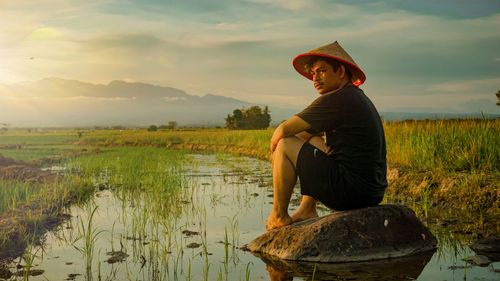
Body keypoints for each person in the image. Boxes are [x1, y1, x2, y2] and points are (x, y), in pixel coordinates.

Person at [266, 41, 387, 230]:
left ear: (340, 72)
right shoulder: (353, 96)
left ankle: (278, 215)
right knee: (313, 139)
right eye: (313, 73)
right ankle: (307, 209)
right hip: (370, 193)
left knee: (285, 144)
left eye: (322, 71)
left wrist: (277, 152)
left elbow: (283, 131)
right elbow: (306, 134)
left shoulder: (339, 98)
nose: (315, 78)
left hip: (351, 193)